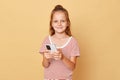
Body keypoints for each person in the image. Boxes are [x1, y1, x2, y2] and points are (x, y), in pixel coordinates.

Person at [39, 5, 80, 80]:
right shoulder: (47, 40)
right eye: (55, 21)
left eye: (63, 21)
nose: (59, 24)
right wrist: (46, 58)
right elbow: (45, 65)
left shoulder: (73, 42)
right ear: (51, 23)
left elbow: (72, 67)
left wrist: (62, 57)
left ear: (67, 23)